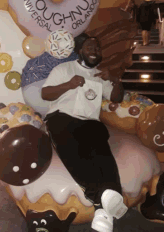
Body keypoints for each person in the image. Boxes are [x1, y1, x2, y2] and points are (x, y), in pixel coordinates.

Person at [41, 33, 128, 232]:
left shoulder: (100, 75)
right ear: (80, 50)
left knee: (101, 151)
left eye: (97, 48)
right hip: (61, 118)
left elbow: (118, 98)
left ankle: (102, 209)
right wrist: (69, 84)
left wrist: (115, 79)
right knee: (73, 150)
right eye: (90, 47)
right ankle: (104, 200)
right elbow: (45, 94)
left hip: (89, 123)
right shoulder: (64, 68)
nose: (94, 50)